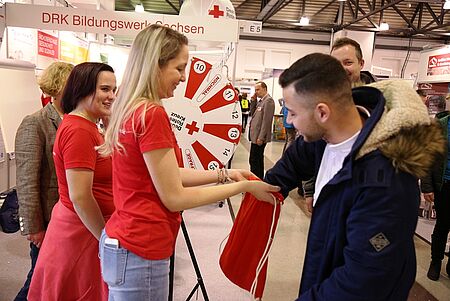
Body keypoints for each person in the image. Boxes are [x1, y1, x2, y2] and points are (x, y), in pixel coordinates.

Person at [97, 24, 279, 300]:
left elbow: (169, 174)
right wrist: (241, 188)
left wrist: (226, 174)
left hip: (125, 240)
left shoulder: (132, 109)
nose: (183, 78)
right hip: (142, 246)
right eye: (179, 68)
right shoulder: (152, 114)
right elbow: (174, 197)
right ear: (155, 65)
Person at [264, 53, 445, 300]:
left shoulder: (386, 182)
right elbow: (294, 161)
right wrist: (264, 188)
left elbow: (364, 280)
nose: (289, 121)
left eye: (293, 113)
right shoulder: (327, 135)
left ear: (322, 113)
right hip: (324, 269)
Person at [28, 62, 117, 301]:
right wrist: (105, 239)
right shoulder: (79, 130)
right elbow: (80, 196)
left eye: (113, 90)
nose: (112, 96)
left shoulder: (85, 125)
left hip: (82, 230)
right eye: (105, 89)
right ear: (83, 89)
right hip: (82, 232)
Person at [14, 62, 73, 301]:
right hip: (47, 222)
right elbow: (26, 182)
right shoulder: (35, 123)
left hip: (67, 221)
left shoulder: (74, 119)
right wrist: (34, 227)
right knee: (38, 281)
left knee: (52, 281)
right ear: (59, 87)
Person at [421, 110, 450, 281]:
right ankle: (436, 262)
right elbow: (427, 156)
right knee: (442, 226)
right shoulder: (441, 124)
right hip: (444, 185)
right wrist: (426, 186)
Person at [248, 81, 275, 179]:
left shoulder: (268, 101)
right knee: (255, 159)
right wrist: (253, 100)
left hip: (259, 137)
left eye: (258, 89)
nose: (256, 92)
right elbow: (252, 113)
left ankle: (256, 180)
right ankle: (257, 179)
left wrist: (261, 137)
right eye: (255, 90)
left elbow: (266, 121)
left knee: (255, 160)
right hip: (255, 136)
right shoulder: (260, 101)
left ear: (265, 89)